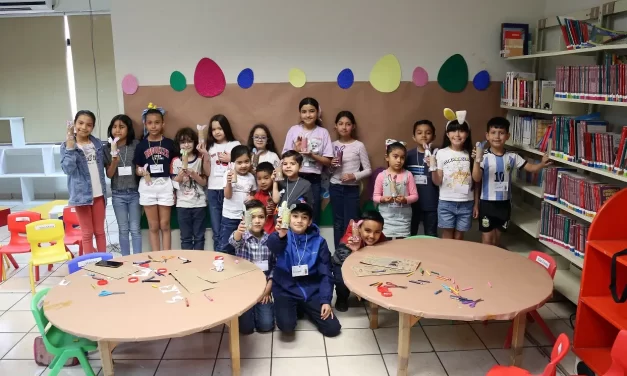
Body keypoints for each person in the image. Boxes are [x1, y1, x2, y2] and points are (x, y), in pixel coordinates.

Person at [472, 116, 551, 246]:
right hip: (487, 204)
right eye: (493, 133)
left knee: (497, 238)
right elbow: (476, 178)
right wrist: (477, 161)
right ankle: (485, 263)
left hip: (504, 204)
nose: (497, 136)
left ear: (507, 136)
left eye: (501, 133)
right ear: (487, 135)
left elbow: (531, 168)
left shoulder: (512, 157)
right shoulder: (484, 157)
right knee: (487, 239)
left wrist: (542, 164)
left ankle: (495, 263)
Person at [267, 203, 341, 337]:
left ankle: (302, 307)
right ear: (289, 218)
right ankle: (294, 308)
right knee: (286, 327)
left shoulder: (319, 242)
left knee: (333, 329)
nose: (299, 220)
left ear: (309, 222)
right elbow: (273, 246)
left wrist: (325, 300)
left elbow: (325, 273)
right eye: (295, 216)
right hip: (285, 289)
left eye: (304, 217)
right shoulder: (282, 236)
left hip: (310, 290)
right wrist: (281, 235)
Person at [61, 110, 107, 254]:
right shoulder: (67, 146)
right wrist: (70, 146)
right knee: (87, 233)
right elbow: (68, 169)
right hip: (81, 196)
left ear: (92, 127)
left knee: (100, 232)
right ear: (74, 124)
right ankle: (90, 265)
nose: (84, 127)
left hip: (99, 194)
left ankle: (105, 261)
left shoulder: (97, 143)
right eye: (80, 123)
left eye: (89, 125)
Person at [281, 97, 333, 224]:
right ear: (300, 113)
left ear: (317, 113)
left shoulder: (323, 132)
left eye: (311, 111)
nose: (308, 115)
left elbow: (328, 161)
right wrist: (295, 149)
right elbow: (284, 156)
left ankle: (311, 241)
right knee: (290, 212)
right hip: (294, 178)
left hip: (314, 179)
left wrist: (311, 155)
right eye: (304, 111)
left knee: (312, 214)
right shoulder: (294, 130)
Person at [430, 109, 479, 240]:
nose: (457, 134)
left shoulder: (472, 153)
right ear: (447, 134)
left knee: (459, 237)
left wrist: (476, 204)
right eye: (453, 131)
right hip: (446, 201)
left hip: (466, 202)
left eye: (461, 131)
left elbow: (476, 180)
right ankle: (446, 260)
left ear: (467, 134)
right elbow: (437, 181)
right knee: (447, 236)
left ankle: (456, 259)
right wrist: (432, 167)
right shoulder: (441, 153)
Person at [133, 104, 176, 251]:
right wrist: (141, 172)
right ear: (145, 124)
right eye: (150, 123)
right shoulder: (141, 145)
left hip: (165, 184)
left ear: (163, 123)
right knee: (153, 225)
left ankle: (166, 256)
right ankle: (157, 256)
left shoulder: (170, 143)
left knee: (165, 224)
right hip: (147, 186)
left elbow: (175, 165)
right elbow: (137, 167)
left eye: (157, 122)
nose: (153, 126)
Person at [229, 200, 275, 334]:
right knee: (245, 329)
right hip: (245, 288)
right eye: (252, 217)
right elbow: (234, 241)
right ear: (245, 218)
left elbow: (275, 265)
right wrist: (239, 231)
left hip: (263, 288)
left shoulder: (270, 240)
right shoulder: (242, 238)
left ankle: (263, 308)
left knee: (266, 326)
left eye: (261, 217)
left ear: (266, 219)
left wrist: (269, 286)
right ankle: (249, 310)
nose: (257, 221)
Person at [329, 111, 372, 248]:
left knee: (352, 222)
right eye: (340, 124)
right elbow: (327, 171)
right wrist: (331, 166)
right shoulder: (332, 145)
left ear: (353, 126)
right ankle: (338, 253)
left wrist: (354, 176)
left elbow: (368, 170)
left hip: (352, 189)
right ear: (335, 126)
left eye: (348, 124)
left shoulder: (359, 145)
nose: (344, 127)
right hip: (335, 187)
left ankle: (351, 252)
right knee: (338, 222)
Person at [332, 211, 386, 312]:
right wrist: (354, 250)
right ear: (359, 228)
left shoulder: (381, 238)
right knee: (341, 281)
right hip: (343, 264)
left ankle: (364, 293)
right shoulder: (349, 239)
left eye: (377, 232)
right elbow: (347, 264)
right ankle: (342, 298)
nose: (372, 236)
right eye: (367, 230)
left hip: (364, 264)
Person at [104, 114, 141, 255]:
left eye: (121, 127)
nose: (117, 130)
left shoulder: (135, 145)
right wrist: (114, 161)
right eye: (114, 127)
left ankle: (138, 259)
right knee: (123, 229)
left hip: (134, 193)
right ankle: (125, 259)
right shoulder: (106, 148)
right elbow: (109, 174)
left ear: (128, 129)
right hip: (118, 194)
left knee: (135, 229)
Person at [206, 114, 240, 251]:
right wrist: (205, 156)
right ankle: (218, 258)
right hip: (213, 190)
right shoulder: (210, 147)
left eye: (220, 128)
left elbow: (243, 164)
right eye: (213, 129)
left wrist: (231, 158)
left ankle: (234, 257)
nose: (217, 132)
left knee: (232, 228)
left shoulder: (235, 145)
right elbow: (207, 172)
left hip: (230, 190)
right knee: (217, 231)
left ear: (226, 128)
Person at [171, 127, 208, 250]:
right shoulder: (176, 161)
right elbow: (172, 183)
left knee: (199, 237)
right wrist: (180, 177)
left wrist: (194, 174)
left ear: (194, 142)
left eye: (189, 141)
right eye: (183, 142)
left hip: (199, 204)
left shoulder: (199, 159)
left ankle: (198, 262)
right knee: (185, 238)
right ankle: (187, 263)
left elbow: (203, 182)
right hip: (182, 205)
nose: (186, 145)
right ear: (178, 144)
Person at [373, 141, 418, 239]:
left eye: (402, 157)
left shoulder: (408, 175)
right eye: (395, 156)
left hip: (403, 219)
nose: (399, 160)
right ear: (387, 157)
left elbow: (415, 196)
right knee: (386, 241)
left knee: (403, 243)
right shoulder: (381, 176)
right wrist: (383, 199)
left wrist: (405, 199)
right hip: (386, 218)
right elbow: (375, 196)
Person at [404, 119, 439, 237]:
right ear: (414, 137)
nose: (423, 135)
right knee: (411, 235)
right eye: (419, 133)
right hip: (412, 205)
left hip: (432, 204)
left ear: (434, 136)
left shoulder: (439, 154)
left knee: (431, 235)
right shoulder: (407, 156)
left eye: (428, 132)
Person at [221, 145, 256, 253]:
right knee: (227, 245)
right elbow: (227, 196)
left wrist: (252, 197)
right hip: (229, 217)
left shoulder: (251, 177)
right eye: (239, 162)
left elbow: (253, 194)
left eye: (246, 161)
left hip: (245, 217)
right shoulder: (228, 174)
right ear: (233, 163)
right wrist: (229, 182)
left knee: (245, 244)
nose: (243, 165)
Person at [253, 162, 277, 235]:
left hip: (275, 234)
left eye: (266, 178)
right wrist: (263, 211)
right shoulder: (256, 197)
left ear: (272, 177)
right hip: (262, 234)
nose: (262, 182)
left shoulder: (278, 194)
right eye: (259, 179)